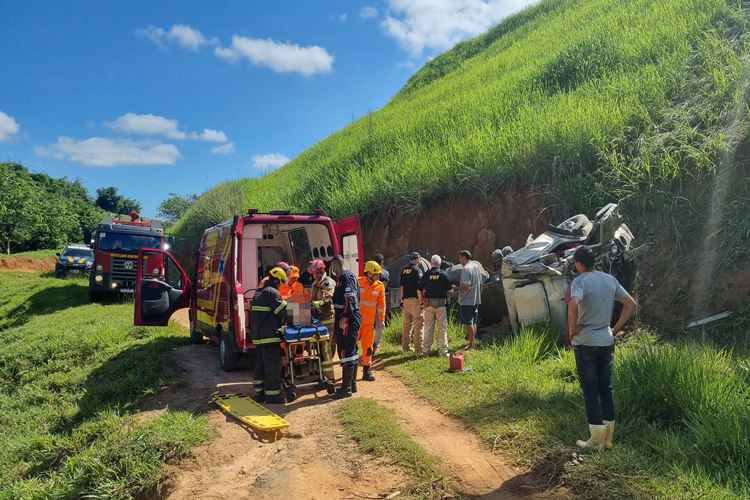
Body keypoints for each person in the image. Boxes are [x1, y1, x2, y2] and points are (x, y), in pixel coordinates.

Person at [566, 246, 636, 451]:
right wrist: (614, 330)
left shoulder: (580, 281)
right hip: (605, 340)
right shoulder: (609, 280)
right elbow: (630, 304)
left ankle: (595, 441)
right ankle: (607, 440)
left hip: (585, 341)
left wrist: (571, 331)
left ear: (579, 263)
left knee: (590, 389)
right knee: (606, 388)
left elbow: (573, 304)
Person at [250, 267, 288, 404]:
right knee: (272, 366)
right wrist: (305, 309)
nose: (280, 286)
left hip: (258, 337)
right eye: (281, 283)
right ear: (277, 280)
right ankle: (273, 396)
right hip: (269, 336)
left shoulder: (259, 292)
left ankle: (259, 394)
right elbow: (284, 310)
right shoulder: (271, 292)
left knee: (260, 365)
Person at [330, 255, 361, 399]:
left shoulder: (346, 277)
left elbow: (351, 299)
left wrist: (345, 316)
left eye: (332, 267)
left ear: (335, 266)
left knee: (346, 352)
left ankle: (345, 388)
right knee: (351, 350)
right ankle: (351, 384)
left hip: (347, 319)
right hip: (346, 318)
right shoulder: (341, 278)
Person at [358, 261, 386, 381]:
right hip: (356, 321)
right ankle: (350, 372)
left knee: (368, 348)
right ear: (368, 273)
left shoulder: (379, 286)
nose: (378, 277)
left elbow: (381, 305)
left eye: (378, 274)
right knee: (352, 346)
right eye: (376, 274)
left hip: (369, 323)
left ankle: (366, 371)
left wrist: (382, 320)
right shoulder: (357, 282)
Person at [420, 255, 452, 356]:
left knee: (428, 328)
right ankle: (443, 351)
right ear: (440, 263)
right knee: (442, 328)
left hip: (428, 305)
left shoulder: (426, 274)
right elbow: (449, 288)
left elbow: (420, 287)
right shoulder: (443, 274)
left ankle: (426, 350)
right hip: (441, 305)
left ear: (431, 263)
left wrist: (421, 302)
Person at [455, 250, 482, 349]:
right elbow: (481, 284)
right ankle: (473, 342)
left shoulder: (466, 269)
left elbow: (466, 287)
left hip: (467, 300)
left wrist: (455, 288)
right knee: (473, 322)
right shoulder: (476, 267)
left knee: (468, 323)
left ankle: (471, 344)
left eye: (460, 257)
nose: (459, 260)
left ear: (464, 257)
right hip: (475, 299)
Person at [400, 251, 424, 353]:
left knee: (406, 325)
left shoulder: (404, 270)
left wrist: (402, 300)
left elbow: (402, 286)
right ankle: (419, 348)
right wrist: (421, 302)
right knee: (419, 324)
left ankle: (406, 347)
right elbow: (419, 288)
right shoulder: (417, 271)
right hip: (415, 301)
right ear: (417, 259)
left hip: (405, 300)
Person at [372, 254, 389, 352]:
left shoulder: (373, 273)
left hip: (372, 298)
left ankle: (369, 342)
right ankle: (376, 343)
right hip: (382, 298)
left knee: (370, 323)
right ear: (382, 261)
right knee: (380, 323)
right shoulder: (386, 272)